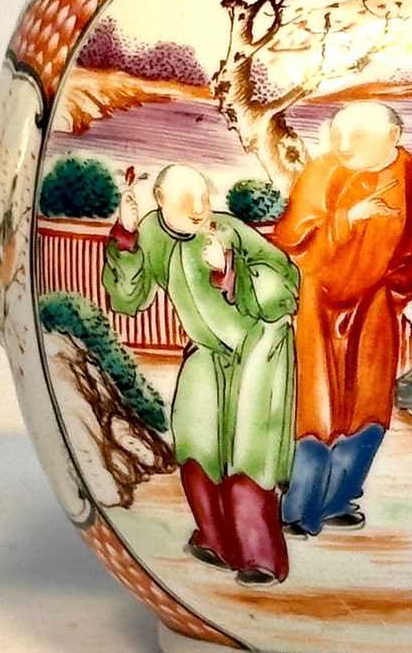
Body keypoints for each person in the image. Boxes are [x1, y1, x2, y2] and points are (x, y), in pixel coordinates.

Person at [101, 163, 299, 585]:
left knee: (250, 450)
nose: (197, 209)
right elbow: (128, 299)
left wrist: (230, 269)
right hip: (207, 349)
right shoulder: (153, 234)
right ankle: (215, 538)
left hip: (260, 344)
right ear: (160, 201)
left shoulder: (226, 231)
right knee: (195, 434)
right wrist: (127, 236)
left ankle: (260, 557)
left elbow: (285, 284)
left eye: (204, 199)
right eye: (186, 201)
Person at [274, 102, 412, 536]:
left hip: (374, 302)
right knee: (317, 408)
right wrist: (348, 218)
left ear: (392, 136)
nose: (344, 146)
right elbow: (293, 242)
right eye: (338, 135)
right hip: (318, 302)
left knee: (368, 404)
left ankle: (337, 499)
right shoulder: (322, 171)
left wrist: (391, 291)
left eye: (358, 136)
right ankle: (298, 510)